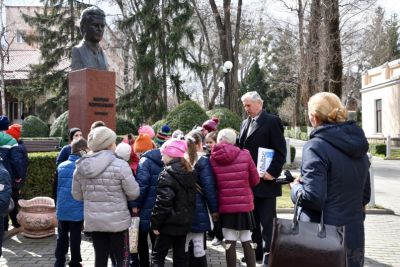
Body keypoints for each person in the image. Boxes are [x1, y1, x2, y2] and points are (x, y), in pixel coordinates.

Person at [290, 92, 370, 267]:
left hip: (321, 237)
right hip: (352, 234)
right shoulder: (359, 145)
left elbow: (313, 197)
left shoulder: (316, 146)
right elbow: (365, 196)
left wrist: (295, 189)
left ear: (314, 117)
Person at [72, 126, 140, 267]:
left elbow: (77, 195)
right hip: (118, 223)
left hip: (95, 222)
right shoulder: (120, 165)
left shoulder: (81, 166)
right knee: (122, 259)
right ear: (109, 144)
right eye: (114, 142)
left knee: (100, 259)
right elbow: (134, 193)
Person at [237, 91, 286, 266]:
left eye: (248, 105)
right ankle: (256, 252)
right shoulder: (245, 123)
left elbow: (281, 151)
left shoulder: (272, 121)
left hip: (266, 182)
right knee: (253, 222)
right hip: (248, 182)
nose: (246, 108)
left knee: (267, 223)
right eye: (244, 105)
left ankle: (269, 256)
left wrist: (272, 172)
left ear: (260, 104)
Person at [210, 128, 260, 267]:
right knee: (246, 237)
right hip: (244, 204)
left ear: (219, 140)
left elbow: (212, 184)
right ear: (234, 140)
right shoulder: (245, 155)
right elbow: (255, 180)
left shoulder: (212, 159)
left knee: (229, 240)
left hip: (225, 205)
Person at [150, 139, 196, 267]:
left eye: (163, 155)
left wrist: (155, 224)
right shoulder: (189, 171)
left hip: (168, 224)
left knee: (157, 256)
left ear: (170, 155)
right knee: (180, 257)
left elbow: (163, 202)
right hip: (184, 223)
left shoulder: (167, 173)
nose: (161, 159)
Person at [185, 130, 218, 266]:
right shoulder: (203, 161)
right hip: (199, 209)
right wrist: (214, 210)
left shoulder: (181, 159)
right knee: (199, 246)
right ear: (199, 144)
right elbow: (209, 188)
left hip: (182, 209)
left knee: (184, 246)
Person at [128, 134, 161, 267]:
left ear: (141, 150)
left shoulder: (144, 162)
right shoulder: (162, 158)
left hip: (146, 207)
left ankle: (145, 264)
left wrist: (135, 204)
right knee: (156, 240)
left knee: (141, 239)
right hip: (159, 206)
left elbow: (142, 186)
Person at [54, 139, 88, 267]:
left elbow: (55, 188)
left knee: (61, 236)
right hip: (77, 208)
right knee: (75, 237)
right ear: (82, 150)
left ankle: (59, 261)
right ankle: (74, 262)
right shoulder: (83, 167)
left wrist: (56, 205)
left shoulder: (61, 166)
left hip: (62, 208)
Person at [6, 124, 28, 235]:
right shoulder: (16, 146)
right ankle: (16, 223)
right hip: (14, 179)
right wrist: (19, 176)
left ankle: (6, 225)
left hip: (10, 178)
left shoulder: (12, 145)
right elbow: (17, 162)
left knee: (7, 200)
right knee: (12, 201)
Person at [71, 6, 108, 71]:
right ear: (83, 27)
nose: (100, 29)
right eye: (95, 25)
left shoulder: (103, 54)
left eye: (102, 26)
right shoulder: (77, 51)